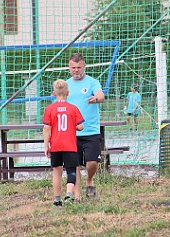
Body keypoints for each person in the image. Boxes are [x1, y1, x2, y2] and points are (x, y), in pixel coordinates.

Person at [66, 53, 105, 201]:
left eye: (79, 67)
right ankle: (77, 197)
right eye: (73, 68)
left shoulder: (92, 82)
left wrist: (96, 98)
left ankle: (89, 179)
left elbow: (101, 95)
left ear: (84, 67)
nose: (76, 70)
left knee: (92, 163)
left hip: (91, 131)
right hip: (72, 132)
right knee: (74, 165)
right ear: (69, 67)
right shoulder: (66, 84)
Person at [43, 79, 84, 207]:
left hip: (55, 145)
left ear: (53, 93)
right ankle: (69, 195)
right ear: (68, 93)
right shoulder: (73, 108)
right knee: (71, 170)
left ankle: (57, 200)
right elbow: (81, 126)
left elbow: (47, 128)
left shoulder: (50, 109)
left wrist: (46, 145)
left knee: (57, 171)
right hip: (70, 145)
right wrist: (74, 126)